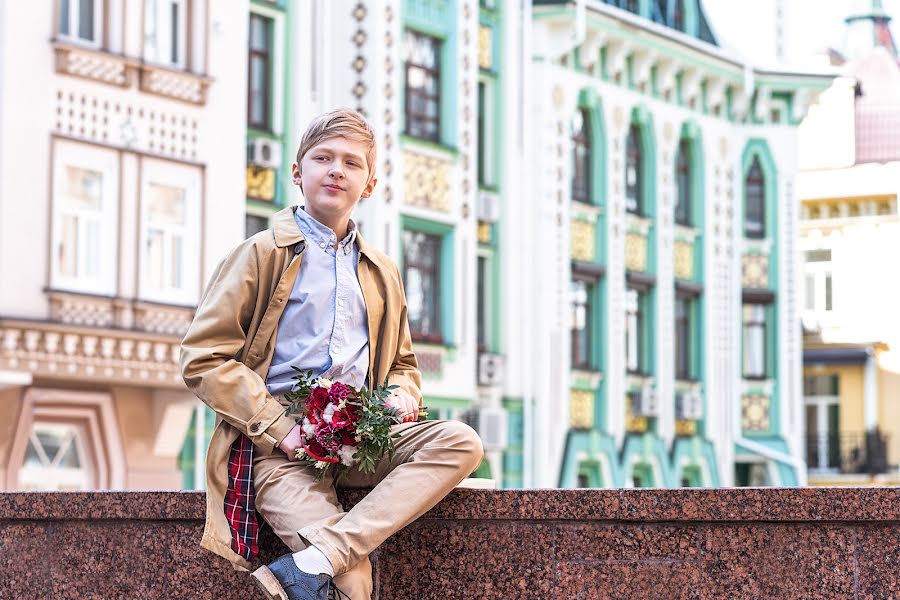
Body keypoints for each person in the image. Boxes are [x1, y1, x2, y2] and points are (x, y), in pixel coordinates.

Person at [181, 108, 484, 600]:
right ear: (298, 173)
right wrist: (281, 430)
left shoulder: (383, 271)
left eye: (351, 162)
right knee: (351, 580)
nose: (336, 170)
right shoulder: (261, 254)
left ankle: (313, 560)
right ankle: (328, 562)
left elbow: (404, 365)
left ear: (369, 184)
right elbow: (203, 358)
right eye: (323, 158)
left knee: (461, 441)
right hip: (282, 452)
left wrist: (399, 394)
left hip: (363, 439)